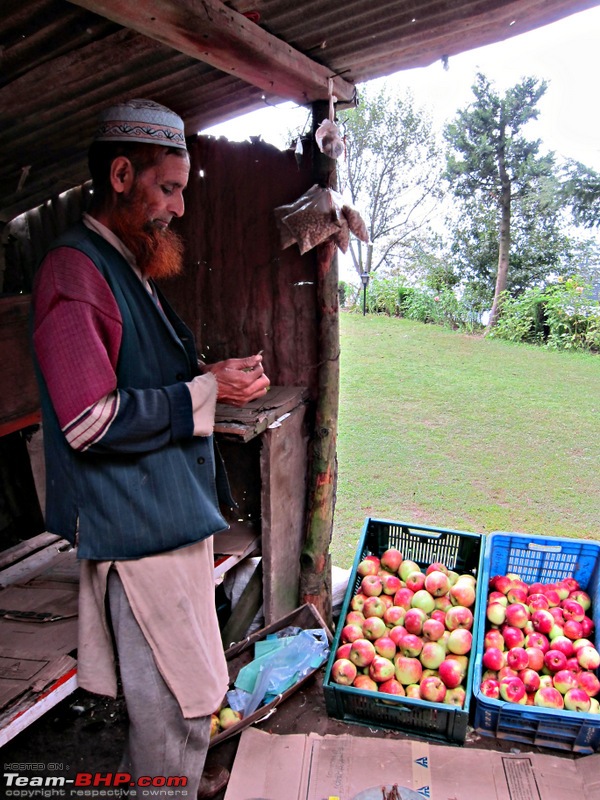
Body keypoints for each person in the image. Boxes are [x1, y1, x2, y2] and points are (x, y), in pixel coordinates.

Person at [31, 98, 270, 799]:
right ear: (121, 173)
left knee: (190, 705)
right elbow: (88, 422)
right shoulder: (72, 274)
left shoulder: (123, 265)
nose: (179, 209)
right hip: (138, 536)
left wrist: (210, 382)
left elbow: (141, 386)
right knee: (172, 713)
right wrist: (203, 395)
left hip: (165, 520)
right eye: (168, 189)